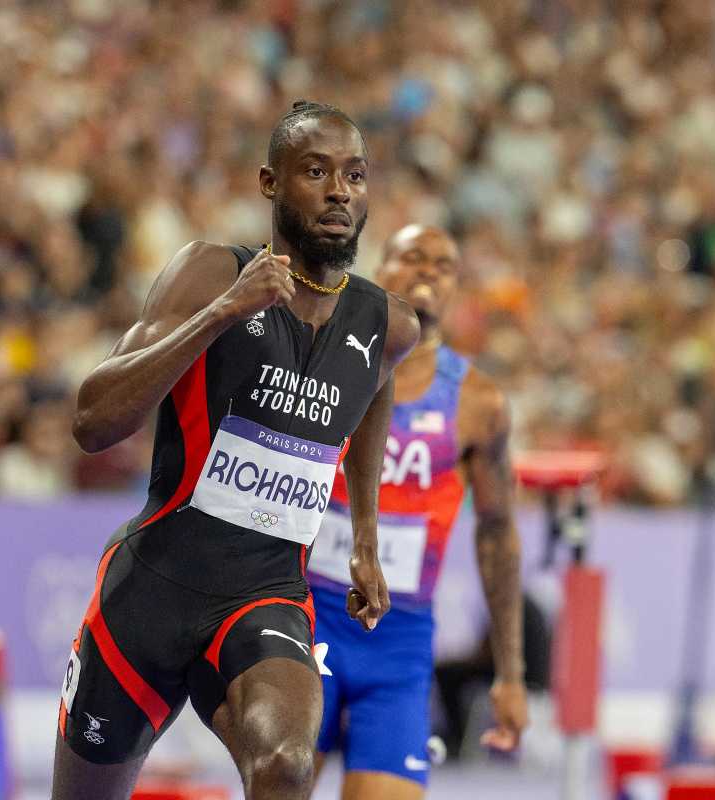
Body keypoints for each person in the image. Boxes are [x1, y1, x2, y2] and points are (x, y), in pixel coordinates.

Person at [53, 101, 420, 800]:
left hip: (264, 598)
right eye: (316, 171)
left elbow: (375, 389)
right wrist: (223, 312)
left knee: (287, 765)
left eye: (355, 175)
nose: (339, 192)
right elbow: (93, 421)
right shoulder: (210, 272)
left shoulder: (388, 324)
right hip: (147, 596)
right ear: (269, 182)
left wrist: (366, 538)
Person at [306, 224, 528, 798]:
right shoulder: (321, 356)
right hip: (305, 616)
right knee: (279, 779)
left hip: (398, 645)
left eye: (444, 265)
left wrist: (510, 674)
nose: (428, 270)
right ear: (380, 268)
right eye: (412, 257)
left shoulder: (478, 403)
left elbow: (498, 534)